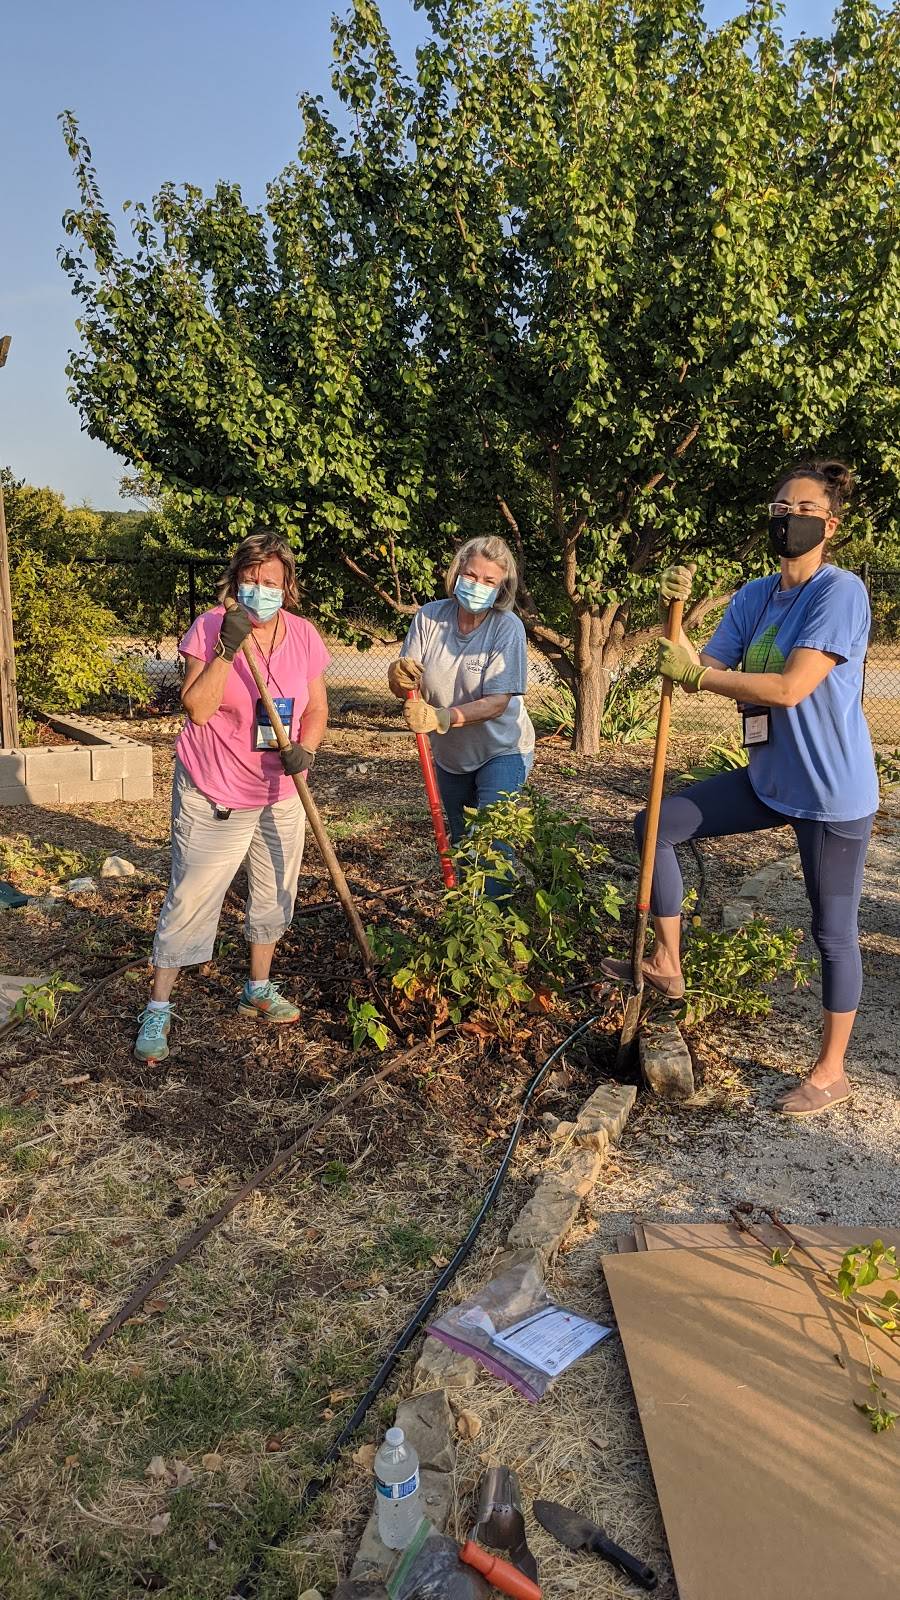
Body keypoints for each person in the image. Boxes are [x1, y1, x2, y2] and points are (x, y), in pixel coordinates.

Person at [603, 460, 877, 1117]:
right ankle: (668, 963)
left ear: (829, 525)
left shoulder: (840, 593)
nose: (787, 517)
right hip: (767, 778)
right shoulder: (756, 595)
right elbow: (708, 665)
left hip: (832, 793)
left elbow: (788, 688)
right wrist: (674, 630)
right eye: (779, 506)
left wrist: (696, 680)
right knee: (655, 825)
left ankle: (831, 1070)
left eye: (803, 508)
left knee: (832, 932)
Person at [134, 532, 330, 1064]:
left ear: (287, 585)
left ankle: (257, 986)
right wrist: (227, 647)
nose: (260, 590)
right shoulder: (210, 626)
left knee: (274, 892)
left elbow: (315, 709)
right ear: (235, 581)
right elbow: (197, 708)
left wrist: (306, 752)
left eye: (270, 582)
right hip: (215, 785)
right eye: (250, 580)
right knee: (193, 894)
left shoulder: (305, 635)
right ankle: (159, 1004)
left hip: (280, 789)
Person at [387, 535, 535, 872]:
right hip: (451, 754)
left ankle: (495, 919)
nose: (477, 585)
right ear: (457, 573)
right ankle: (466, 918)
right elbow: (408, 684)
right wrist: (397, 679)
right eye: (470, 575)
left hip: (502, 749)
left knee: (494, 842)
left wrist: (442, 716)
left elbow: (497, 702)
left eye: (489, 581)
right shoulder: (429, 618)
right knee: (462, 841)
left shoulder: (506, 628)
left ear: (502, 589)